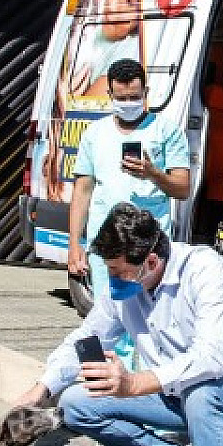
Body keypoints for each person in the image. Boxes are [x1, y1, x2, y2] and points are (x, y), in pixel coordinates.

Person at [15, 203, 223, 446]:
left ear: (150, 262)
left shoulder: (207, 271)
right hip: (172, 391)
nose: (111, 279)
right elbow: (87, 338)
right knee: (76, 403)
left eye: (117, 271)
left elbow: (212, 359)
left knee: (202, 394)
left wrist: (134, 384)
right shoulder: (125, 285)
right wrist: (42, 388)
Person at [67, 57, 191, 305]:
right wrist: (74, 245)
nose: (128, 104)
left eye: (134, 97)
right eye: (121, 98)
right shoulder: (95, 134)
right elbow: (82, 192)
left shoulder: (166, 131)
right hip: (106, 248)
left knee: (148, 319)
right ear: (110, 94)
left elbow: (183, 188)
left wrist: (153, 173)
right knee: (107, 320)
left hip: (148, 250)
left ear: (146, 92)